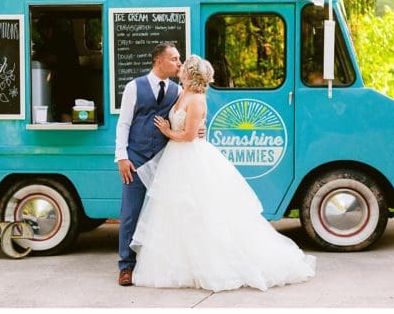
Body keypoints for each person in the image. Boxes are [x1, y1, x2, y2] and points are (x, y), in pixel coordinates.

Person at [131, 55, 316, 291]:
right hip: (176, 159)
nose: (180, 69)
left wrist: (168, 132)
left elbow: (189, 136)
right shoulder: (182, 92)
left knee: (200, 211)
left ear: (190, 74)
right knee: (178, 213)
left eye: (184, 67)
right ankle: (184, 266)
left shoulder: (197, 99)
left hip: (190, 157)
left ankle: (211, 266)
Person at [115, 42, 184, 286]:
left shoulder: (177, 91)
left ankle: (159, 263)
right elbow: (123, 123)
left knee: (163, 214)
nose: (178, 63)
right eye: (174, 59)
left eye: (179, 59)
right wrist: (122, 157)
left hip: (162, 160)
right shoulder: (135, 87)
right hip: (134, 159)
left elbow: (184, 119)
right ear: (159, 61)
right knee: (130, 213)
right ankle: (126, 266)